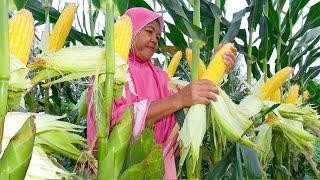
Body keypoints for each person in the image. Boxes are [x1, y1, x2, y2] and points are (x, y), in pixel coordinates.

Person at [86, 7, 237, 179]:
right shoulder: (107, 70)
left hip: (158, 168)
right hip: (117, 169)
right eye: (149, 32)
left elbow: (189, 104)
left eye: (157, 37)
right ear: (130, 29)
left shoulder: (160, 76)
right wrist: (178, 100)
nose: (154, 40)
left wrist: (215, 68)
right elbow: (114, 121)